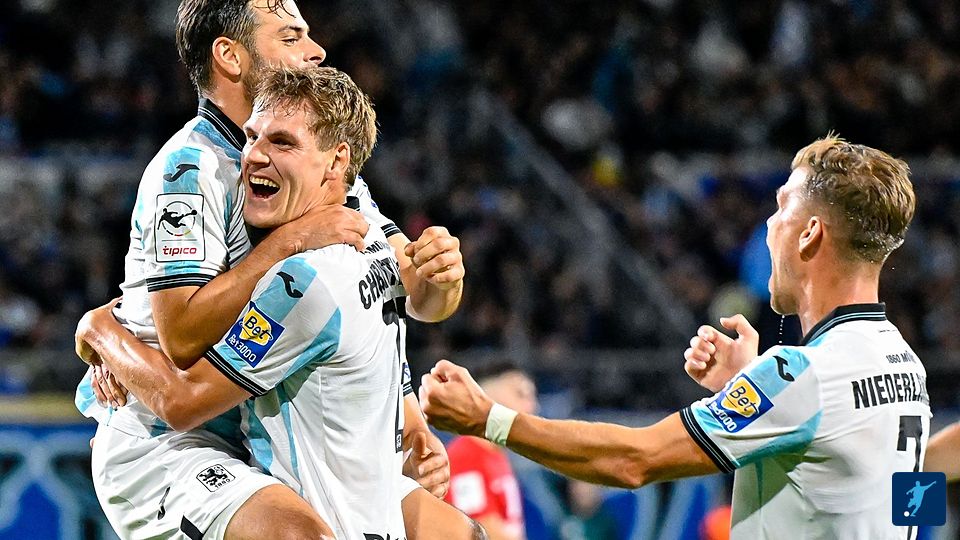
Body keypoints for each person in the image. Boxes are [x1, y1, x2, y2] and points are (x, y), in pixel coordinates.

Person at [75, 1, 463, 538]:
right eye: (290, 36)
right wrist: (98, 330)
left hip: (256, 429)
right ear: (231, 57)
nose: (316, 50)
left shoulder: (319, 166)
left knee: (453, 531)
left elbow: (396, 290)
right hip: (168, 437)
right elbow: (181, 337)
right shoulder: (190, 170)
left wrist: (443, 279)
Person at [420, 135, 931, 539]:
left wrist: (489, 419)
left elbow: (634, 460)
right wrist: (747, 387)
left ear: (810, 233)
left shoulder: (802, 375)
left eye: (780, 208)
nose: (768, 224)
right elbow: (910, 503)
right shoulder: (907, 366)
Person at [444, 362, 536, 540]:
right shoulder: (466, 457)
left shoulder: (497, 454)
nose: (531, 407)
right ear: (489, 399)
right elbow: (482, 530)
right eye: (521, 395)